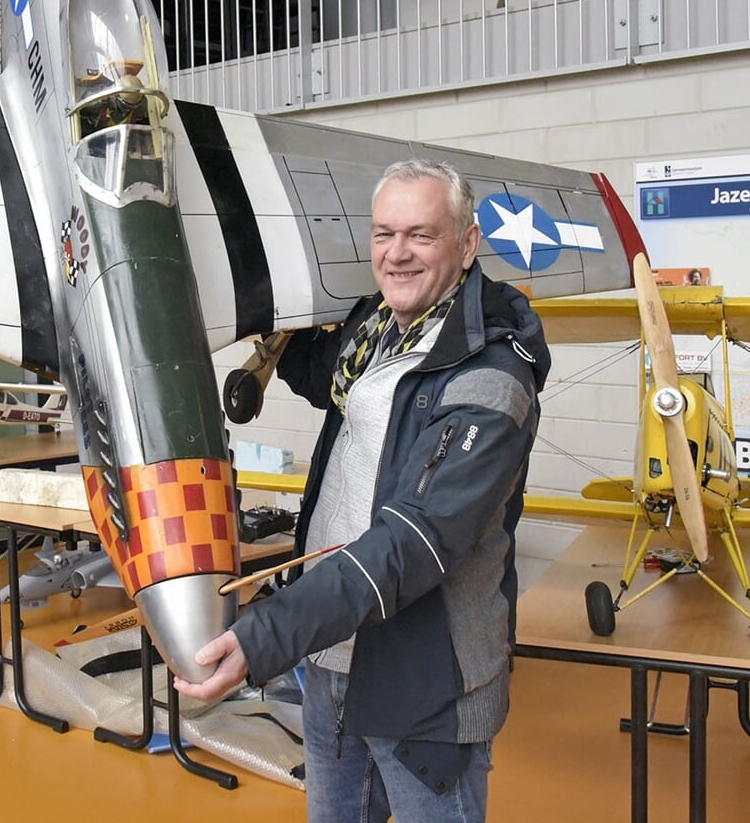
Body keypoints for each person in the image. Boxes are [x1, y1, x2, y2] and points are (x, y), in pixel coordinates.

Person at [178, 160, 551, 822]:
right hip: (329, 654)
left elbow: (413, 542)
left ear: (466, 244)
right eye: (384, 234)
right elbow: (336, 380)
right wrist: (268, 317)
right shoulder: (378, 325)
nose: (396, 253)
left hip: (424, 680)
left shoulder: (489, 379)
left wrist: (266, 635)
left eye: (420, 234)